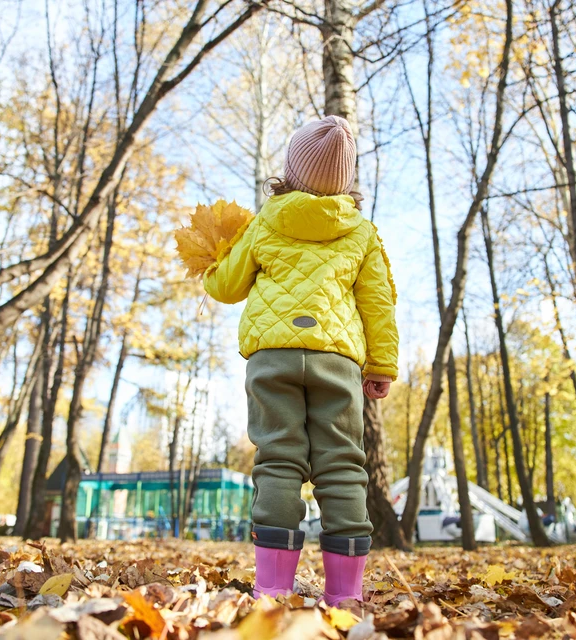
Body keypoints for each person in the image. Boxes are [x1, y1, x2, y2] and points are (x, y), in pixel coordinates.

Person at [203, 115, 399, 607]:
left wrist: (210, 264)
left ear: (289, 171)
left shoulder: (264, 222)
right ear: (346, 180)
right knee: (341, 465)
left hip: (273, 358)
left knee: (279, 460)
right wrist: (381, 365)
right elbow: (378, 303)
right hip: (337, 361)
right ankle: (344, 594)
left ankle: (271, 589)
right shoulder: (363, 233)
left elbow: (226, 287)